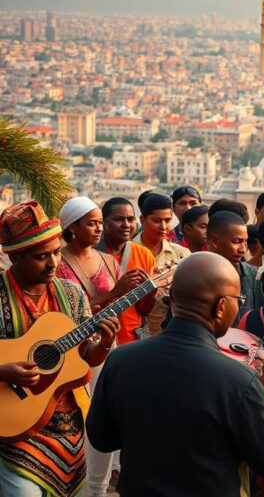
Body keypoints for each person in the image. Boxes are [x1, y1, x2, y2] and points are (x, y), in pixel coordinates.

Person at [85, 252, 264, 496]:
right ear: (220, 307)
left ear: (172, 298)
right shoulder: (238, 380)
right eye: (237, 300)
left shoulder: (121, 360)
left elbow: (101, 439)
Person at [0, 201, 119, 496]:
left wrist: (103, 344)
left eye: (55, 252)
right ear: (14, 257)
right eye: (41, 257)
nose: (53, 263)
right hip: (15, 431)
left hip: (72, 428)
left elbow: (84, 358)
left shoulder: (71, 293)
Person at [57, 197, 149, 497]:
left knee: (108, 418)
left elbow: (123, 309)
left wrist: (141, 292)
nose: (97, 229)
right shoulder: (56, 261)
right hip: (70, 351)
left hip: (108, 348)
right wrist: (116, 292)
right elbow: (64, 313)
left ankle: (100, 484)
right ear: (72, 227)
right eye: (91, 223)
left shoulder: (109, 262)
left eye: (99, 223)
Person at [96, 197, 158, 345]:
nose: (126, 225)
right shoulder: (90, 254)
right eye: (119, 219)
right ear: (104, 223)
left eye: (131, 219)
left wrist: (150, 294)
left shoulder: (144, 255)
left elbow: (143, 311)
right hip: (97, 340)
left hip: (131, 339)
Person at [133, 194, 190, 335]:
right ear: (142, 220)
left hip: (171, 335)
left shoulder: (182, 255)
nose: (163, 227)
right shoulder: (127, 252)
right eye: (157, 221)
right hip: (133, 335)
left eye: (168, 220)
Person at [206, 211, 259, 319]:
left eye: (245, 242)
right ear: (215, 242)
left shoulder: (255, 277)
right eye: (236, 241)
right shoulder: (193, 275)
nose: (243, 250)